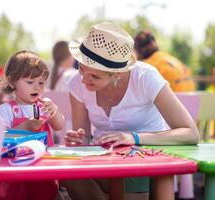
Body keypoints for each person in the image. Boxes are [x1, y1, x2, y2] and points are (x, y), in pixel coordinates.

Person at [61, 22, 199, 200]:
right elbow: (84, 138)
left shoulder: (145, 77)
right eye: (81, 68)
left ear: (117, 73)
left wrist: (132, 137)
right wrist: (79, 139)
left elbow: (190, 133)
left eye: (95, 76)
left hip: (144, 161)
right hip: (104, 161)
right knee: (69, 178)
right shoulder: (76, 84)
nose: (83, 80)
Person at [0, 50, 65, 200]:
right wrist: (25, 127)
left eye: (41, 83)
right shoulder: (7, 110)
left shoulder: (43, 105)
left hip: (44, 172)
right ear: (12, 81)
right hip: (15, 176)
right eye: (30, 82)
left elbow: (59, 126)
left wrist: (55, 111)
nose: (37, 87)